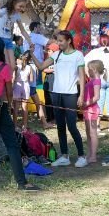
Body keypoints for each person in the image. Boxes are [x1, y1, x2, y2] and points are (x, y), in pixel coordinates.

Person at [0, 36, 39, 191]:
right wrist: (9, 104)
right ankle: (21, 182)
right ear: (0, 50)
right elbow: (9, 91)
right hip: (0, 107)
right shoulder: (4, 68)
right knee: (11, 144)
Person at [26, 30, 87, 168]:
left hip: (70, 95)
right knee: (60, 126)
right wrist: (31, 54)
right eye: (57, 40)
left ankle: (81, 156)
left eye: (61, 41)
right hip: (56, 94)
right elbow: (41, 66)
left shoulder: (78, 55)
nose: (58, 43)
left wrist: (81, 95)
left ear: (69, 41)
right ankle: (64, 156)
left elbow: (82, 76)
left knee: (72, 126)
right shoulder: (56, 54)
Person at [82, 60, 105, 164]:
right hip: (87, 109)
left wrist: (86, 103)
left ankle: (93, 156)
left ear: (94, 70)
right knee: (88, 133)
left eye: (89, 69)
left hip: (92, 110)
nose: (88, 71)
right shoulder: (92, 80)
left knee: (93, 133)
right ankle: (89, 153)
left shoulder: (96, 81)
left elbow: (96, 97)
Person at [12, 52, 33, 130]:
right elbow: (31, 80)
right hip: (26, 86)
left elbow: (13, 78)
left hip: (17, 86)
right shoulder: (29, 67)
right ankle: (24, 126)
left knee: (16, 108)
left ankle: (15, 125)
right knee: (25, 107)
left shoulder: (16, 67)